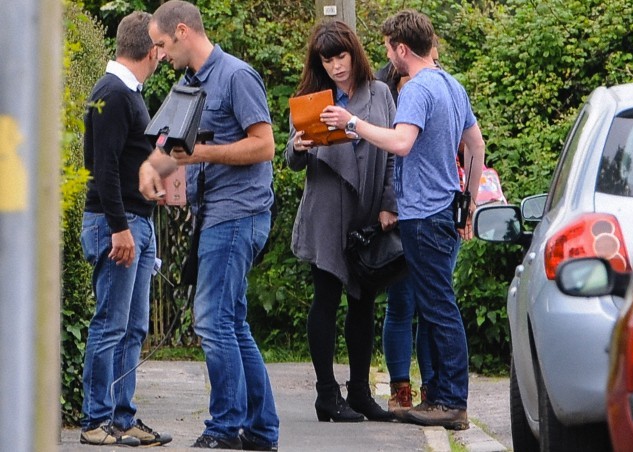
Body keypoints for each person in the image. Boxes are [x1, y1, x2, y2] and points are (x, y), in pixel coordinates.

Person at [321, 9, 485, 430]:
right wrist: (467, 203)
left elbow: (401, 142)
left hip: (423, 214)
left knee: (438, 308)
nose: (388, 58)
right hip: (445, 210)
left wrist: (354, 123)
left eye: (389, 50)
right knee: (436, 306)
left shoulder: (415, 89)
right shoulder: (452, 85)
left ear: (402, 49)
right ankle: (439, 396)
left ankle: (451, 401)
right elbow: (476, 146)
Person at [138, 1, 279, 450]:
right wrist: (150, 168)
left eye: (162, 44)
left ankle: (224, 428)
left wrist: (201, 154)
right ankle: (261, 431)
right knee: (231, 323)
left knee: (213, 321)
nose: (160, 55)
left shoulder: (237, 76)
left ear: (183, 31)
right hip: (215, 215)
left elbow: (265, 145)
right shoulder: (186, 85)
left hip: (238, 212)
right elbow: (170, 149)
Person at [284, 20, 396, 423]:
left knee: (363, 303)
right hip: (326, 212)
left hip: (367, 209)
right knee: (326, 299)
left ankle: (360, 392)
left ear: (354, 53)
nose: (336, 66)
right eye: (327, 60)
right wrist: (297, 146)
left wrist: (389, 204)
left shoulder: (380, 93)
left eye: (341, 56)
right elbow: (292, 159)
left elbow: (393, 152)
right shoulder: (312, 98)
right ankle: (326, 394)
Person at [79, 11, 172, 447]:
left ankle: (121, 416)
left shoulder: (127, 92)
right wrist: (119, 228)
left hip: (135, 220)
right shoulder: (114, 93)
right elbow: (104, 169)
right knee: (110, 325)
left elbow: (127, 162)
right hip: (116, 223)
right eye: (161, 48)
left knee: (132, 327)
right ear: (151, 50)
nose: (163, 56)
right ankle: (95, 420)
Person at [376, 42, 442, 419]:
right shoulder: (385, 97)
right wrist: (388, 203)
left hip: (433, 211)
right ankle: (401, 388)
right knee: (401, 304)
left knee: (431, 304)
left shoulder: (439, 91)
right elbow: (385, 156)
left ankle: (432, 388)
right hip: (401, 213)